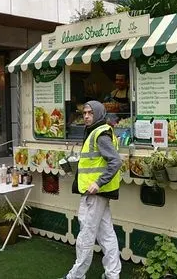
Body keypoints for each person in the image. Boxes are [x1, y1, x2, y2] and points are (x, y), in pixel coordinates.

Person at [65, 100, 122, 279]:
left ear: (98, 114)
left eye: (90, 113)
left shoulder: (100, 134)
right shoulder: (99, 131)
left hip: (94, 194)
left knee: (85, 237)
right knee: (107, 236)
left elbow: (116, 161)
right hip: (99, 193)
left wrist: (98, 183)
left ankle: (76, 276)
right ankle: (113, 275)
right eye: (84, 113)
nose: (87, 116)